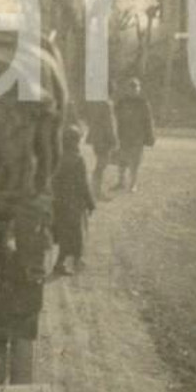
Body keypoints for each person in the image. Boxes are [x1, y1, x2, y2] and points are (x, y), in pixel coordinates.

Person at [51, 125, 96, 275]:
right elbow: (83, 185)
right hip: (74, 204)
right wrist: (91, 203)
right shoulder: (78, 159)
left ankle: (69, 261)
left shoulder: (57, 157)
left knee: (64, 234)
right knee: (76, 233)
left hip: (58, 203)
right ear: (76, 141)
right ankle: (71, 261)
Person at [112, 77, 155, 193]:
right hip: (123, 135)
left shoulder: (143, 103)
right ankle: (121, 182)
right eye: (131, 87)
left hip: (137, 136)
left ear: (139, 89)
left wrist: (150, 136)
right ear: (127, 89)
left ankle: (133, 184)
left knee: (135, 161)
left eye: (136, 87)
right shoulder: (121, 102)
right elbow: (114, 118)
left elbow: (148, 121)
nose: (133, 90)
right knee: (121, 160)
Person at [84, 98, 119, 200]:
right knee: (101, 165)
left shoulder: (93, 103)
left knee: (100, 164)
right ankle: (96, 192)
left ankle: (95, 190)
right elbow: (109, 125)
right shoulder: (106, 104)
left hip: (96, 138)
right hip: (104, 139)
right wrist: (114, 139)